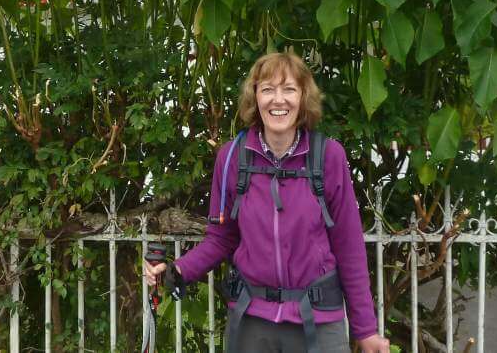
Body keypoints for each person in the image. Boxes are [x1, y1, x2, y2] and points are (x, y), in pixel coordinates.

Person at [144, 51, 391, 352]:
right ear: (255, 97)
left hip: (318, 321)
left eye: (289, 89)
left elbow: (349, 246)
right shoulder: (232, 157)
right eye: (268, 89)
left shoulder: (328, 156)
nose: (278, 100)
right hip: (252, 321)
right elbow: (221, 239)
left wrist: (365, 330)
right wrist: (179, 269)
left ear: (303, 97)